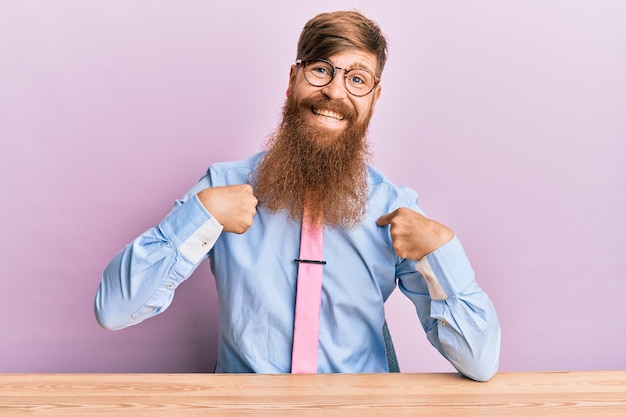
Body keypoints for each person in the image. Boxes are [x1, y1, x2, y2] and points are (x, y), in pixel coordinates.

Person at [95, 10, 501, 381]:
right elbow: (115, 310)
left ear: (373, 101)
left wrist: (442, 250)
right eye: (322, 70)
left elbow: (479, 362)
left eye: (357, 79)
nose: (336, 93)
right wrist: (200, 216)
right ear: (293, 80)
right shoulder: (222, 185)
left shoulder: (392, 209)